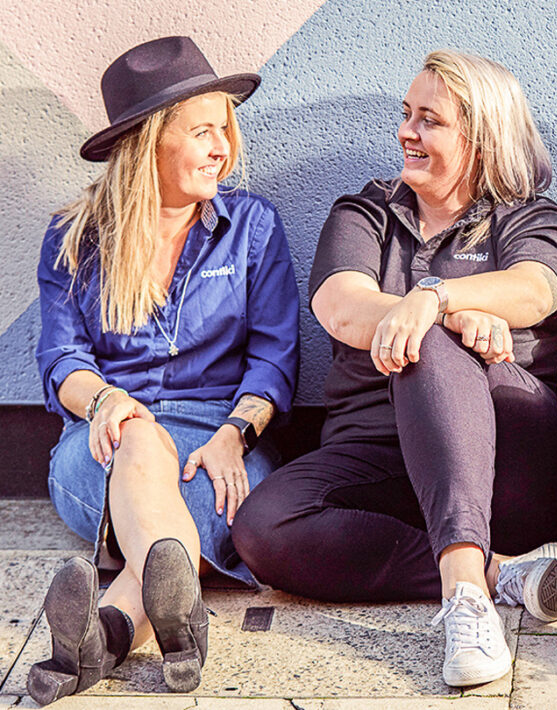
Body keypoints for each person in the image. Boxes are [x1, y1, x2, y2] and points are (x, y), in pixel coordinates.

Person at [231, 49, 557, 688]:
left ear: (481, 139)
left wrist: (436, 300)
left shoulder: (532, 219)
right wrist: (440, 312)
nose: (406, 132)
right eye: (406, 114)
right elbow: (340, 305)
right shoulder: (368, 213)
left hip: (508, 461)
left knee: (430, 343)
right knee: (261, 527)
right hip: (380, 452)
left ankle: (465, 605)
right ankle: (499, 574)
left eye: (429, 120)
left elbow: (537, 289)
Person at [30, 36, 299, 704]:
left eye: (224, 130)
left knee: (180, 527)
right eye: (202, 131)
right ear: (150, 142)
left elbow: (274, 356)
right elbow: (62, 357)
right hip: (100, 441)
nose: (222, 148)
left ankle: (108, 633)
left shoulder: (252, 228)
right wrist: (105, 404)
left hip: (218, 442)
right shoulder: (76, 237)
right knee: (141, 444)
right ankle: (179, 624)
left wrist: (236, 434)